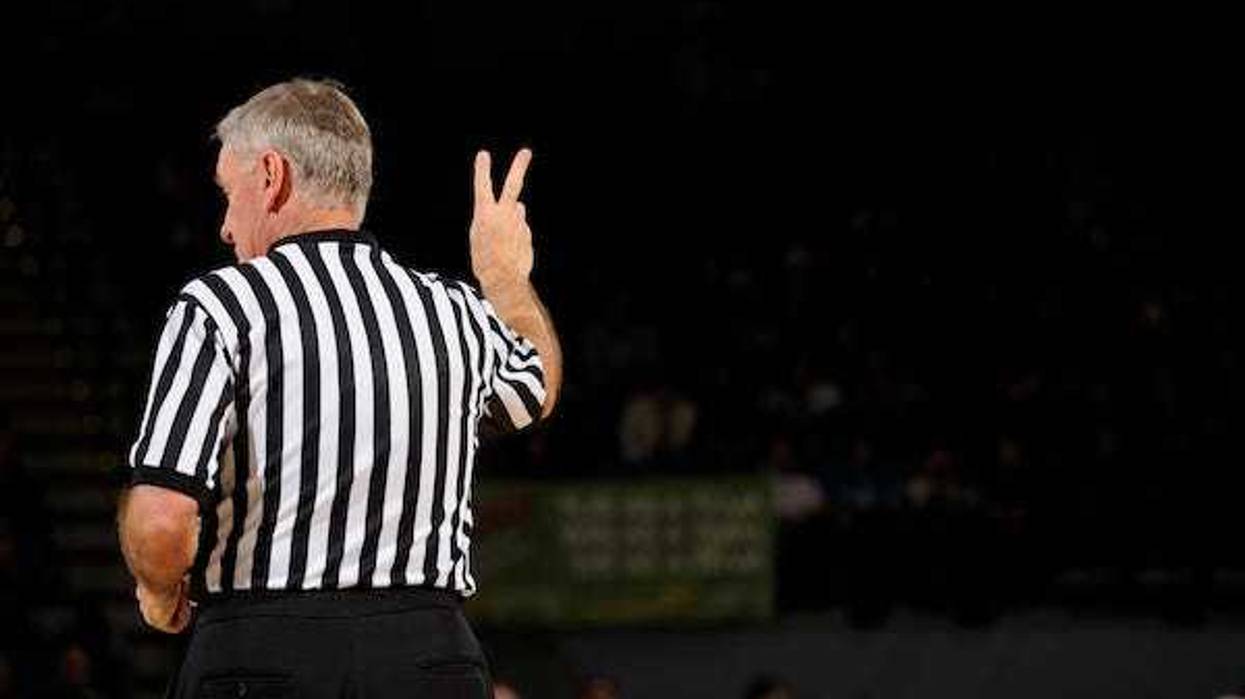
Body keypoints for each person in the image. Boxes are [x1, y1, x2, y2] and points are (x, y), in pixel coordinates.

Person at [115, 78, 562, 698]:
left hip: (261, 653)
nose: (223, 225)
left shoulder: (221, 305)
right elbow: (534, 386)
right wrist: (504, 277)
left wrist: (160, 592)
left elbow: (162, 519)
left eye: (227, 193)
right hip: (430, 659)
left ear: (271, 175)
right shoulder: (452, 310)